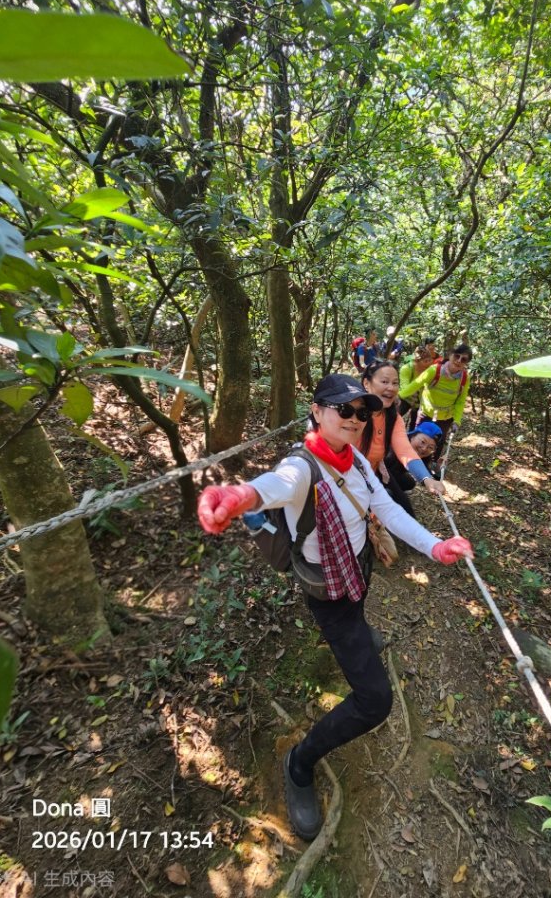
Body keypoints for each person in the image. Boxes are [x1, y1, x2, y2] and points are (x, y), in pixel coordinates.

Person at [197, 373, 473, 843]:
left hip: (355, 572)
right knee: (374, 701)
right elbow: (273, 485)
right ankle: (300, 762)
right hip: (328, 592)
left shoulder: (358, 465)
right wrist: (236, 497)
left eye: (362, 413)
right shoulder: (303, 467)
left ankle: (360, 635)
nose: (354, 418)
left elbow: (385, 509)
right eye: (343, 409)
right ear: (317, 411)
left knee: (361, 618)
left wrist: (436, 548)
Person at [358, 361, 446, 514]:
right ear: (367, 383)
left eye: (395, 383)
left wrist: (426, 478)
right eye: (384, 381)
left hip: (374, 474)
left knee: (406, 510)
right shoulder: (353, 414)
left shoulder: (392, 417)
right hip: (348, 480)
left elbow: (405, 449)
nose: (391, 388)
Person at [398, 344, 472, 472]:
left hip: (445, 417)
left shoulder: (464, 378)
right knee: (419, 438)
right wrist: (397, 396)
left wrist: (457, 420)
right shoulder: (434, 370)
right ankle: (411, 463)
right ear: (450, 355)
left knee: (437, 442)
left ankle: (428, 465)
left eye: (464, 359)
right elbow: (416, 384)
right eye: (457, 356)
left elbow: (460, 401)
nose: (459, 361)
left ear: (467, 363)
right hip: (426, 412)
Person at [398, 344, 435, 431]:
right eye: (425, 361)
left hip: (420, 401)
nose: (428, 364)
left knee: (415, 424)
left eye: (430, 360)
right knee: (395, 417)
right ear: (416, 361)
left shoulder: (430, 370)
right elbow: (405, 389)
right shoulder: (406, 369)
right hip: (406, 399)